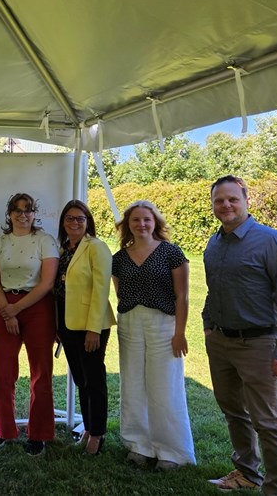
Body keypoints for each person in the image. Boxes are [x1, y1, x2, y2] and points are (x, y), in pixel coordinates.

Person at [202, 176, 277, 494]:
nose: (226, 205)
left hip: (259, 344)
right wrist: (208, 325)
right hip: (220, 341)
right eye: (220, 200)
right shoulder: (214, 242)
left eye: (233, 199)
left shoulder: (272, 241)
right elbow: (213, 290)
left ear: (247, 200)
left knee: (267, 421)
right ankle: (246, 472)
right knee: (232, 410)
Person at [111, 200, 196, 470]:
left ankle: (172, 452)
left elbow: (182, 296)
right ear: (128, 225)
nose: (141, 224)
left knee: (164, 386)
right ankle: (139, 446)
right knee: (133, 385)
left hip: (163, 324)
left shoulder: (171, 253)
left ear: (155, 222)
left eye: (146, 219)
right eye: (135, 220)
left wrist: (179, 333)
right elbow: (120, 292)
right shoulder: (119, 258)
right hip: (130, 324)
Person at [0, 193, 59, 456]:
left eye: (28, 210)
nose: (23, 214)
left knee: (41, 373)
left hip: (37, 308)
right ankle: (3, 429)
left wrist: (17, 309)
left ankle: (39, 433)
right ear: (9, 214)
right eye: (17, 210)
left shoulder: (45, 240)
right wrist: (8, 312)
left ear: (34, 213)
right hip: (5, 306)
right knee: (1, 373)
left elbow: (47, 283)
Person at [53, 199, 115, 455]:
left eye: (80, 218)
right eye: (70, 218)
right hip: (67, 324)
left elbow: (101, 290)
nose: (75, 223)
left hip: (91, 325)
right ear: (63, 222)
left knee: (94, 380)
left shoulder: (96, 247)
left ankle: (98, 434)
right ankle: (88, 427)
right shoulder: (63, 248)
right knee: (80, 379)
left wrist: (93, 329)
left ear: (88, 221)